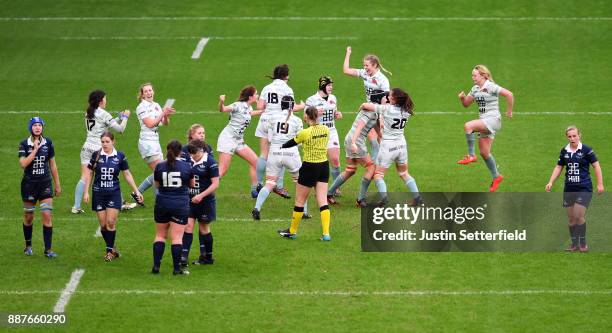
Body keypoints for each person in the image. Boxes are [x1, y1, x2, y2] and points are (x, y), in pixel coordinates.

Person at [82, 132, 143, 261]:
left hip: (113, 193)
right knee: (103, 225)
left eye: (107, 142)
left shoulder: (120, 156)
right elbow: (89, 173)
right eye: (103, 142)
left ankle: (109, 252)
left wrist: (136, 191)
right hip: (98, 193)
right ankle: (112, 248)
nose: (104, 144)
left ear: (113, 142)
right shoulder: (96, 155)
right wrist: (86, 191)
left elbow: (127, 174)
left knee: (110, 222)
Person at [545, 126, 604, 252]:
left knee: (578, 215)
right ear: (567, 137)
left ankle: (583, 243)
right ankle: (574, 244)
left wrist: (600, 184)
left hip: (584, 187)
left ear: (579, 135)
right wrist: (550, 182)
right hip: (569, 188)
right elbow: (558, 167)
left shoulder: (587, 150)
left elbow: (596, 166)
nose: (572, 138)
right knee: (571, 219)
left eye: (574, 136)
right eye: (569, 136)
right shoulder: (564, 151)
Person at [72, 90, 131, 214]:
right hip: (98, 149)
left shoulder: (88, 112)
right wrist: (125, 117)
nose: (106, 101)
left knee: (84, 176)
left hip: (86, 147)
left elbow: (102, 126)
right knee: (110, 173)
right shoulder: (104, 113)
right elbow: (120, 129)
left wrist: (117, 118)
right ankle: (119, 203)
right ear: (100, 101)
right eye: (105, 98)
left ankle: (76, 206)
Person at [277, 106, 331, 241]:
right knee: (323, 200)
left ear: (307, 116)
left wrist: (280, 146)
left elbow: (291, 143)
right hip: (323, 166)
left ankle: (292, 231)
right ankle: (326, 234)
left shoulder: (304, 132)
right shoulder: (326, 130)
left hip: (309, 167)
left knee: (300, 200)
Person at [457, 64, 514, 192]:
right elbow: (466, 104)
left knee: (468, 126)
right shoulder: (475, 89)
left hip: (493, 120)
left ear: (483, 75)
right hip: (485, 121)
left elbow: (509, 94)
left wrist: (509, 111)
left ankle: (471, 155)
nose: (473, 78)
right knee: (485, 153)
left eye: (475, 75)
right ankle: (497, 176)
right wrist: (462, 98)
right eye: (472, 75)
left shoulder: (491, 86)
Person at [361, 88, 422, 206]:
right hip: (401, 146)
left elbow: (369, 106)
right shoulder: (406, 111)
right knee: (404, 173)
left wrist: (363, 104)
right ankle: (417, 197)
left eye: (390, 95)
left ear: (394, 99)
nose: (388, 96)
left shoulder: (387, 109)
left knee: (378, 175)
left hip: (388, 147)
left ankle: (384, 198)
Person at [252, 96, 306, 220]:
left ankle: (257, 208)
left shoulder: (272, 118)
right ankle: (303, 212)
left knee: (270, 183)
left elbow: (270, 139)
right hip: (291, 153)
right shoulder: (297, 120)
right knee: (301, 183)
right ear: (292, 106)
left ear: (281, 105)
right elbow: (299, 141)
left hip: (274, 152)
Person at [255, 65, 305, 199]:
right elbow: (291, 108)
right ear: (286, 76)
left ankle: (258, 185)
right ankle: (279, 185)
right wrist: (302, 105)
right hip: (278, 122)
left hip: (264, 120)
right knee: (281, 149)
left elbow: (260, 107)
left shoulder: (266, 88)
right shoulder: (287, 89)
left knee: (263, 154)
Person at [19, 117, 61, 258]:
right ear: (30, 127)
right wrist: (35, 149)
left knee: (46, 215)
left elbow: (53, 165)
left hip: (45, 183)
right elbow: (23, 164)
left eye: (40, 125)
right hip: (29, 184)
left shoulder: (48, 143)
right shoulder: (24, 144)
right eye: (35, 125)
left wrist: (57, 184)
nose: (37, 128)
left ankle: (48, 250)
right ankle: (28, 246)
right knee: (29, 216)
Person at [151, 140, 194, 275]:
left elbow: (157, 185)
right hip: (180, 204)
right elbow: (192, 184)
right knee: (177, 238)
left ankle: (156, 267)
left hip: (162, 202)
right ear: (180, 152)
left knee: (160, 235)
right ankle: (177, 269)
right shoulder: (186, 166)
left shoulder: (159, 166)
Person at [343, 46, 391, 161]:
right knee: (369, 130)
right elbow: (346, 70)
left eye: (367, 66)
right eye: (364, 65)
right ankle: (377, 153)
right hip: (369, 108)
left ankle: (383, 156)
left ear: (374, 65)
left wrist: (382, 117)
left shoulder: (382, 80)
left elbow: (386, 101)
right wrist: (348, 53)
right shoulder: (365, 73)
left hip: (378, 109)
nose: (365, 68)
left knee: (381, 134)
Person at [132, 83, 176, 205]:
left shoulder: (156, 105)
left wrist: (166, 115)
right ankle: (159, 203)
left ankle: (137, 193)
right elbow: (150, 124)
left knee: (160, 172)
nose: (149, 93)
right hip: (147, 142)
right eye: (146, 91)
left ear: (153, 91)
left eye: (150, 90)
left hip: (155, 141)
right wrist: (163, 112)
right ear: (142, 94)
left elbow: (165, 123)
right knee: (161, 173)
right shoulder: (141, 107)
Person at [217, 85, 263, 197]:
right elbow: (223, 109)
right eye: (256, 93)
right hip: (227, 139)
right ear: (250, 96)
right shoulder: (237, 105)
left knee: (256, 162)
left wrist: (264, 111)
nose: (258, 95)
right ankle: (204, 188)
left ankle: (254, 190)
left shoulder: (249, 107)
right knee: (222, 170)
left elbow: (250, 113)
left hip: (238, 141)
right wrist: (221, 102)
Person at [181, 139, 219, 267]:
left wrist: (201, 195)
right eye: (190, 153)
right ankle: (183, 258)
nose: (192, 156)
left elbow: (216, 184)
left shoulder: (211, 162)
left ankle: (208, 257)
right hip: (190, 200)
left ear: (201, 151)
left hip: (205, 201)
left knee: (204, 228)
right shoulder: (188, 160)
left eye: (195, 154)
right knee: (188, 226)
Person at [305, 76, 343, 196]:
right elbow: (305, 118)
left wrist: (337, 114)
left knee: (335, 160)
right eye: (328, 85)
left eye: (331, 85)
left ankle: (336, 188)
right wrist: (315, 114)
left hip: (331, 132)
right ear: (322, 86)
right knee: (317, 163)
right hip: (317, 133)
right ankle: (316, 187)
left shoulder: (333, 98)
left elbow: (334, 112)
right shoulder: (311, 100)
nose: (331, 87)